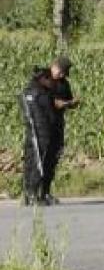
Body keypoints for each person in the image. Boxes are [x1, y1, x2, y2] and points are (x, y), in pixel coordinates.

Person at [20, 68, 60, 206]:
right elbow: (49, 115)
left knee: (29, 162)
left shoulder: (26, 92)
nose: (52, 83)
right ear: (43, 79)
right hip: (42, 133)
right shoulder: (41, 94)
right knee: (38, 163)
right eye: (50, 79)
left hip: (31, 132)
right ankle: (33, 193)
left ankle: (27, 193)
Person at [49, 56, 79, 185]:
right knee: (45, 156)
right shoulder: (44, 81)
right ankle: (37, 190)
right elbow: (49, 101)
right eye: (60, 72)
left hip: (58, 122)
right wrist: (62, 103)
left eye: (64, 73)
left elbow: (68, 100)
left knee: (56, 154)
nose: (61, 75)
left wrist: (73, 103)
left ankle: (46, 189)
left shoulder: (64, 82)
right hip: (45, 123)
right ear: (54, 67)